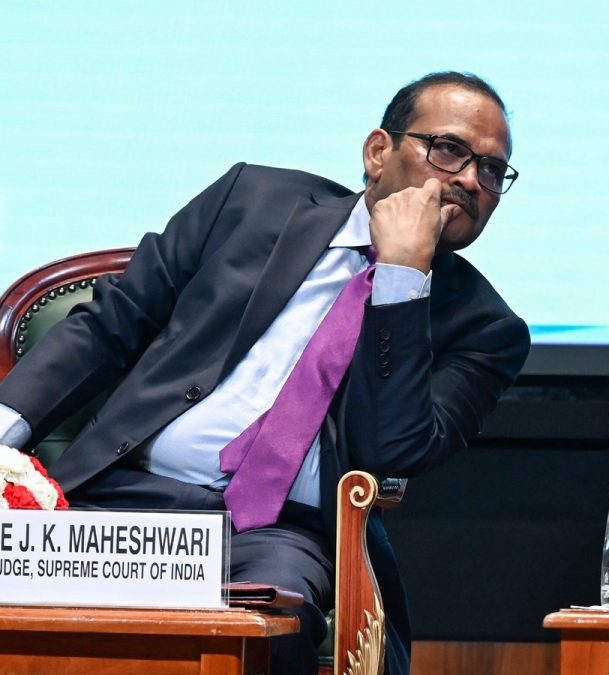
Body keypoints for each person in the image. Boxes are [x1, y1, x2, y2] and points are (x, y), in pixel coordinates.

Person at [0, 71, 530, 674]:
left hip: (274, 536)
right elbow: (112, 323)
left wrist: (402, 281)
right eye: (449, 149)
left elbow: (393, 449)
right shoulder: (252, 201)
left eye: (492, 170)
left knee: (273, 627)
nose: (470, 180)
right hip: (119, 503)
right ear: (378, 152)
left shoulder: (486, 330)